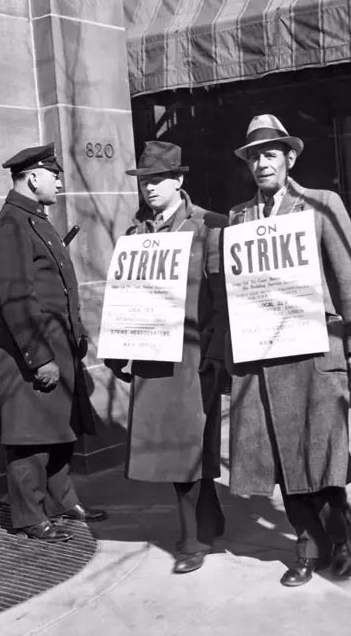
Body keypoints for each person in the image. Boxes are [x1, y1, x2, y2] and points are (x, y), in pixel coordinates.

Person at [226, 115, 351, 587]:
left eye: (270, 153)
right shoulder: (238, 219)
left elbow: (348, 278)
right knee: (280, 462)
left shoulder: (320, 205)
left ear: (289, 158)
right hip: (263, 360)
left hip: (316, 354)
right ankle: (306, 548)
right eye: (254, 155)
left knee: (321, 457)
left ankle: (342, 532)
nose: (261, 163)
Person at [104, 141, 228, 574]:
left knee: (187, 446)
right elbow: (122, 296)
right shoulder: (135, 237)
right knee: (181, 449)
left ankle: (192, 539)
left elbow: (222, 293)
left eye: (158, 179)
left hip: (194, 357)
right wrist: (117, 351)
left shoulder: (208, 226)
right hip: (151, 356)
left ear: (179, 180)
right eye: (144, 181)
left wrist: (215, 352)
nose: (150, 188)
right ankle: (208, 523)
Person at [0, 143, 106, 543]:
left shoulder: (35, 219)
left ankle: (60, 501)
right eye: (54, 176)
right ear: (33, 177)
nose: (59, 183)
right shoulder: (11, 226)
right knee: (31, 439)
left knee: (59, 432)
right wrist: (40, 359)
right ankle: (29, 516)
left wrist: (77, 335)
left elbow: (58, 290)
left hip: (59, 347)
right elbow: (19, 302)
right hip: (33, 356)